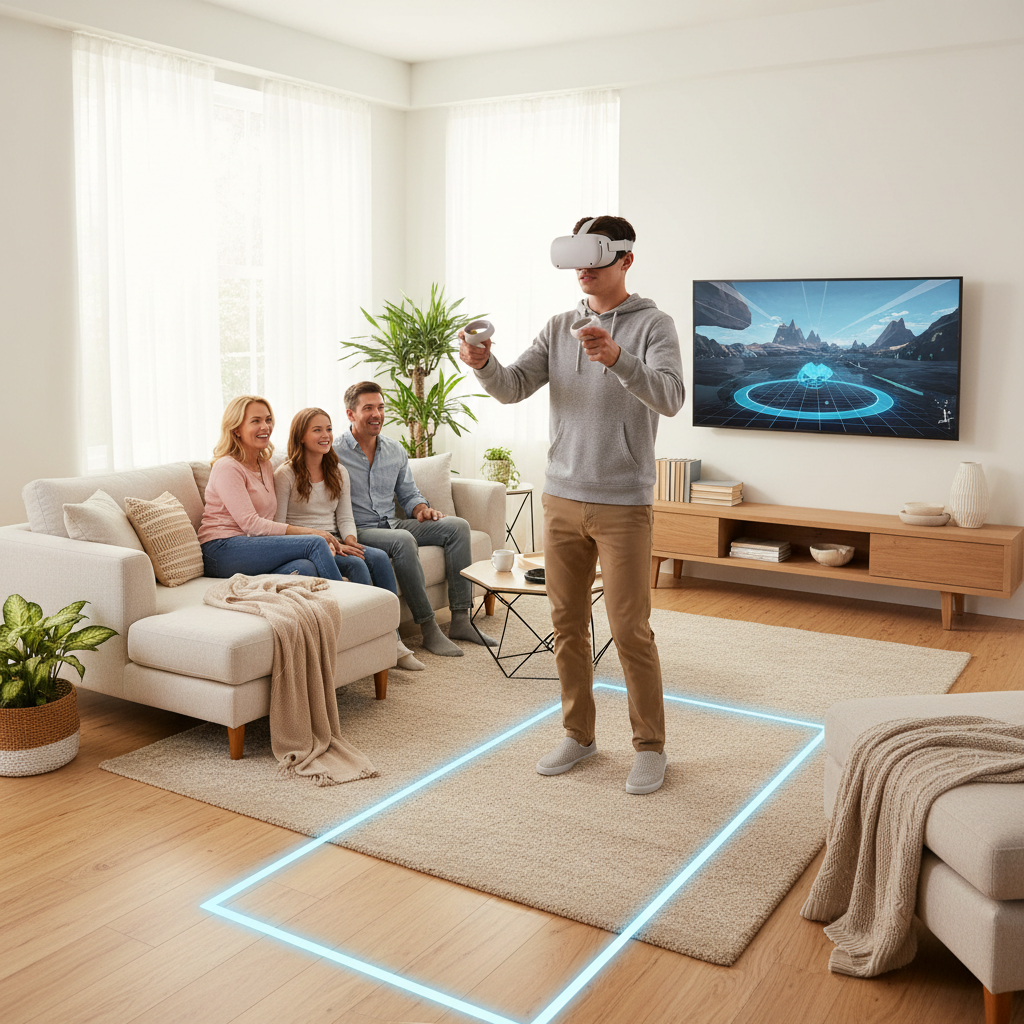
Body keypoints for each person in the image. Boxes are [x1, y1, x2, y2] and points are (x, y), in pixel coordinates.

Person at [459, 215, 684, 794]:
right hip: (561, 497)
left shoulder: (654, 326)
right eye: (576, 257)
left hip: (622, 502)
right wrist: (483, 362)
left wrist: (617, 358)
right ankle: (578, 735)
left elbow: (671, 397)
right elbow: (512, 387)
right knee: (565, 623)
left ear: (626, 259)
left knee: (630, 628)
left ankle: (650, 746)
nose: (582, 268)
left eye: (595, 256)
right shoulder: (560, 326)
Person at [334, 381, 497, 657]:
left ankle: (461, 619)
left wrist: (421, 508)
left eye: (381, 407)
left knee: (457, 527)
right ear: (350, 414)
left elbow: (408, 494)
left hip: (392, 523)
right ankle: (429, 628)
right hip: (358, 529)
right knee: (403, 540)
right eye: (368, 408)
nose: (377, 414)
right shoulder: (334, 452)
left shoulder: (394, 450)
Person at [275, 407, 424, 672]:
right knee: (356, 566)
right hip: (303, 545)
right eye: (317, 430)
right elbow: (279, 523)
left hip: (335, 540)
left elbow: (344, 518)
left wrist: (350, 541)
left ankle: (393, 639)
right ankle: (367, 641)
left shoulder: (338, 471)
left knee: (376, 557)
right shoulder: (285, 475)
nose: (326, 435)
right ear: (301, 436)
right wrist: (327, 542)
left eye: (329, 429)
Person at [198, 395, 347, 582]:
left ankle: (258, 585)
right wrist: (313, 532)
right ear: (236, 429)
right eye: (256, 421)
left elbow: (268, 521)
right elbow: (251, 524)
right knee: (316, 543)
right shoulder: (227, 466)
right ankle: (343, 599)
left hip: (253, 546)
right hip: (221, 550)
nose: (265, 426)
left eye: (268, 420)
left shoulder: (265, 464)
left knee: (305, 567)